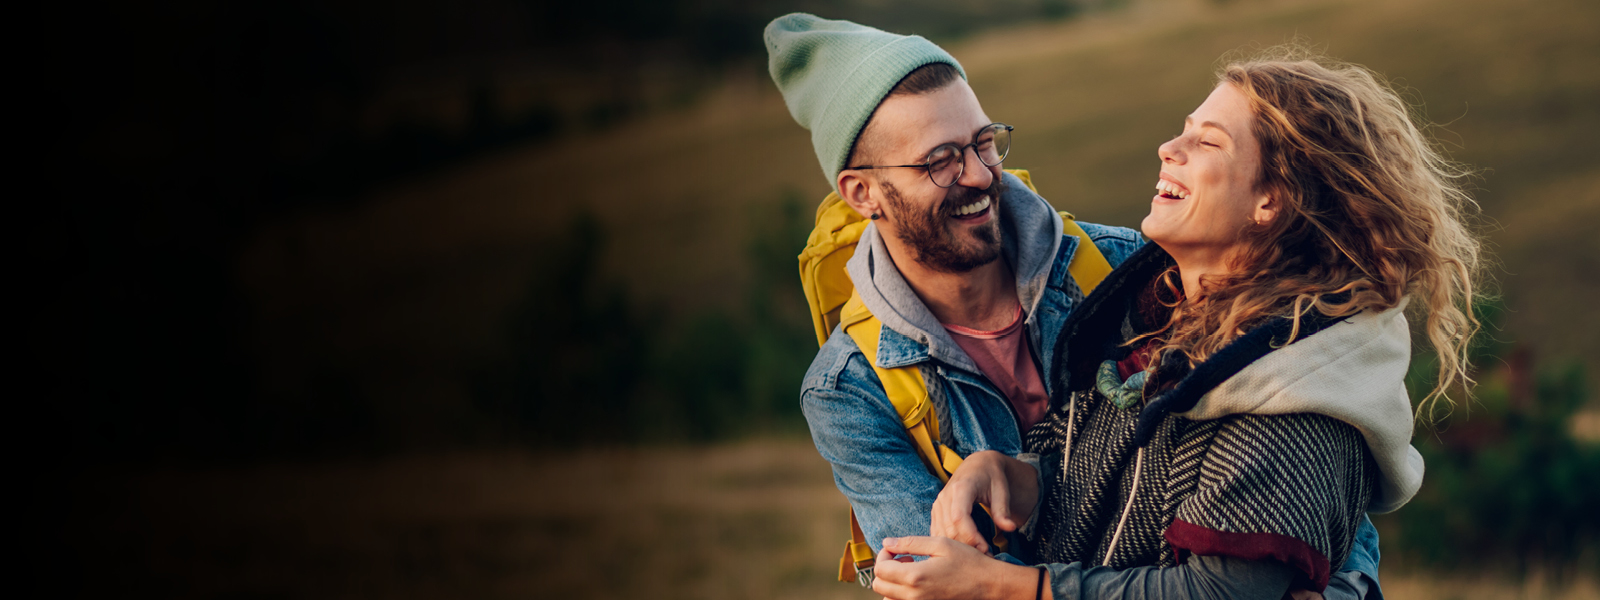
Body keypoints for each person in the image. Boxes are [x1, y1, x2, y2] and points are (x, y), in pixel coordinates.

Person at [766, 14, 1385, 598]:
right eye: (941, 162)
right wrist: (1010, 477)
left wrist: (1341, 588)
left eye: (984, 143)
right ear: (862, 193)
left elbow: (1306, 475)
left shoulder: (1132, 271)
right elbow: (942, 580)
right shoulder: (851, 389)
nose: (981, 176)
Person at [870, 50, 1481, 600]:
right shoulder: (1154, 326)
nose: (1169, 149)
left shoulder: (1295, 388)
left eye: (1207, 142)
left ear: (1272, 199)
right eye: (1182, 131)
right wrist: (1006, 472)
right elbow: (1091, 474)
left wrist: (1013, 589)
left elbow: (1224, 591)